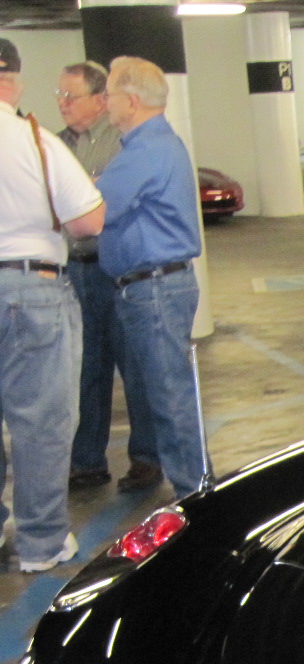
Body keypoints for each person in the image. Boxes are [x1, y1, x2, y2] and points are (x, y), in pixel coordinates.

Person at [0, 37, 105, 571]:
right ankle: (41, 544)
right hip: (32, 288)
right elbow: (89, 220)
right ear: (13, 80)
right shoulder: (36, 141)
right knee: (40, 421)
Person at [95, 56, 206, 498]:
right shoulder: (155, 146)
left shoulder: (144, 151)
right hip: (158, 285)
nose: (105, 104)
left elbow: (94, 210)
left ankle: (196, 497)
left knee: (170, 398)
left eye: (110, 95)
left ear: (132, 100)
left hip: (153, 287)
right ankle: (196, 488)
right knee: (168, 395)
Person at [56, 60, 159, 493]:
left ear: (101, 99)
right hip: (74, 270)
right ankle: (86, 461)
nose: (62, 104)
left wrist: (85, 192)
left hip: (116, 268)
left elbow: (101, 202)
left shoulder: (123, 141)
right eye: (59, 96)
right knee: (86, 368)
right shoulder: (55, 145)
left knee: (134, 365)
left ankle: (147, 459)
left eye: (70, 96)